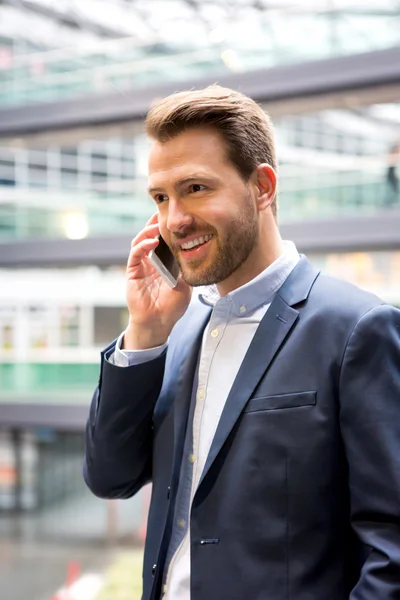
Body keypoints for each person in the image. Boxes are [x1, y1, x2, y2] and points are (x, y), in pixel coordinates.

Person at [84, 85, 400, 600]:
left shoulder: (358, 329)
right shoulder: (176, 328)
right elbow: (109, 477)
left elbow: (392, 551)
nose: (174, 220)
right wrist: (144, 333)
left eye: (196, 188)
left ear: (263, 187)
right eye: (161, 197)